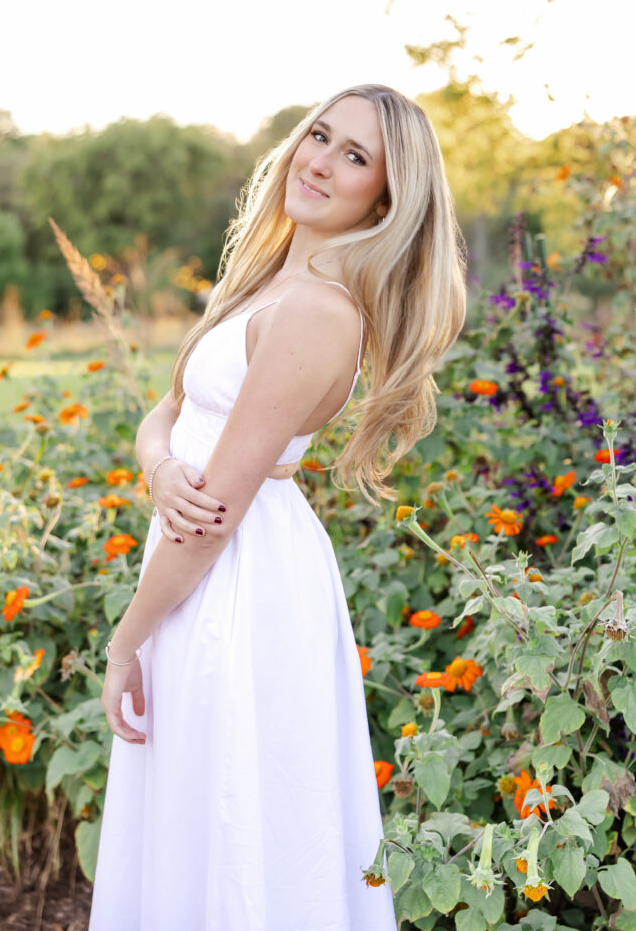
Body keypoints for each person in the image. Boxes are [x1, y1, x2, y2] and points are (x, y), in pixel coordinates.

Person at [89, 84, 466, 931]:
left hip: (235, 584)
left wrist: (124, 643)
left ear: (387, 197)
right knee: (194, 809)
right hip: (202, 572)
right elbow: (167, 414)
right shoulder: (263, 283)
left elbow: (211, 517)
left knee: (235, 812)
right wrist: (158, 473)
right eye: (320, 136)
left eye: (355, 157)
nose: (321, 162)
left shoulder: (316, 313)